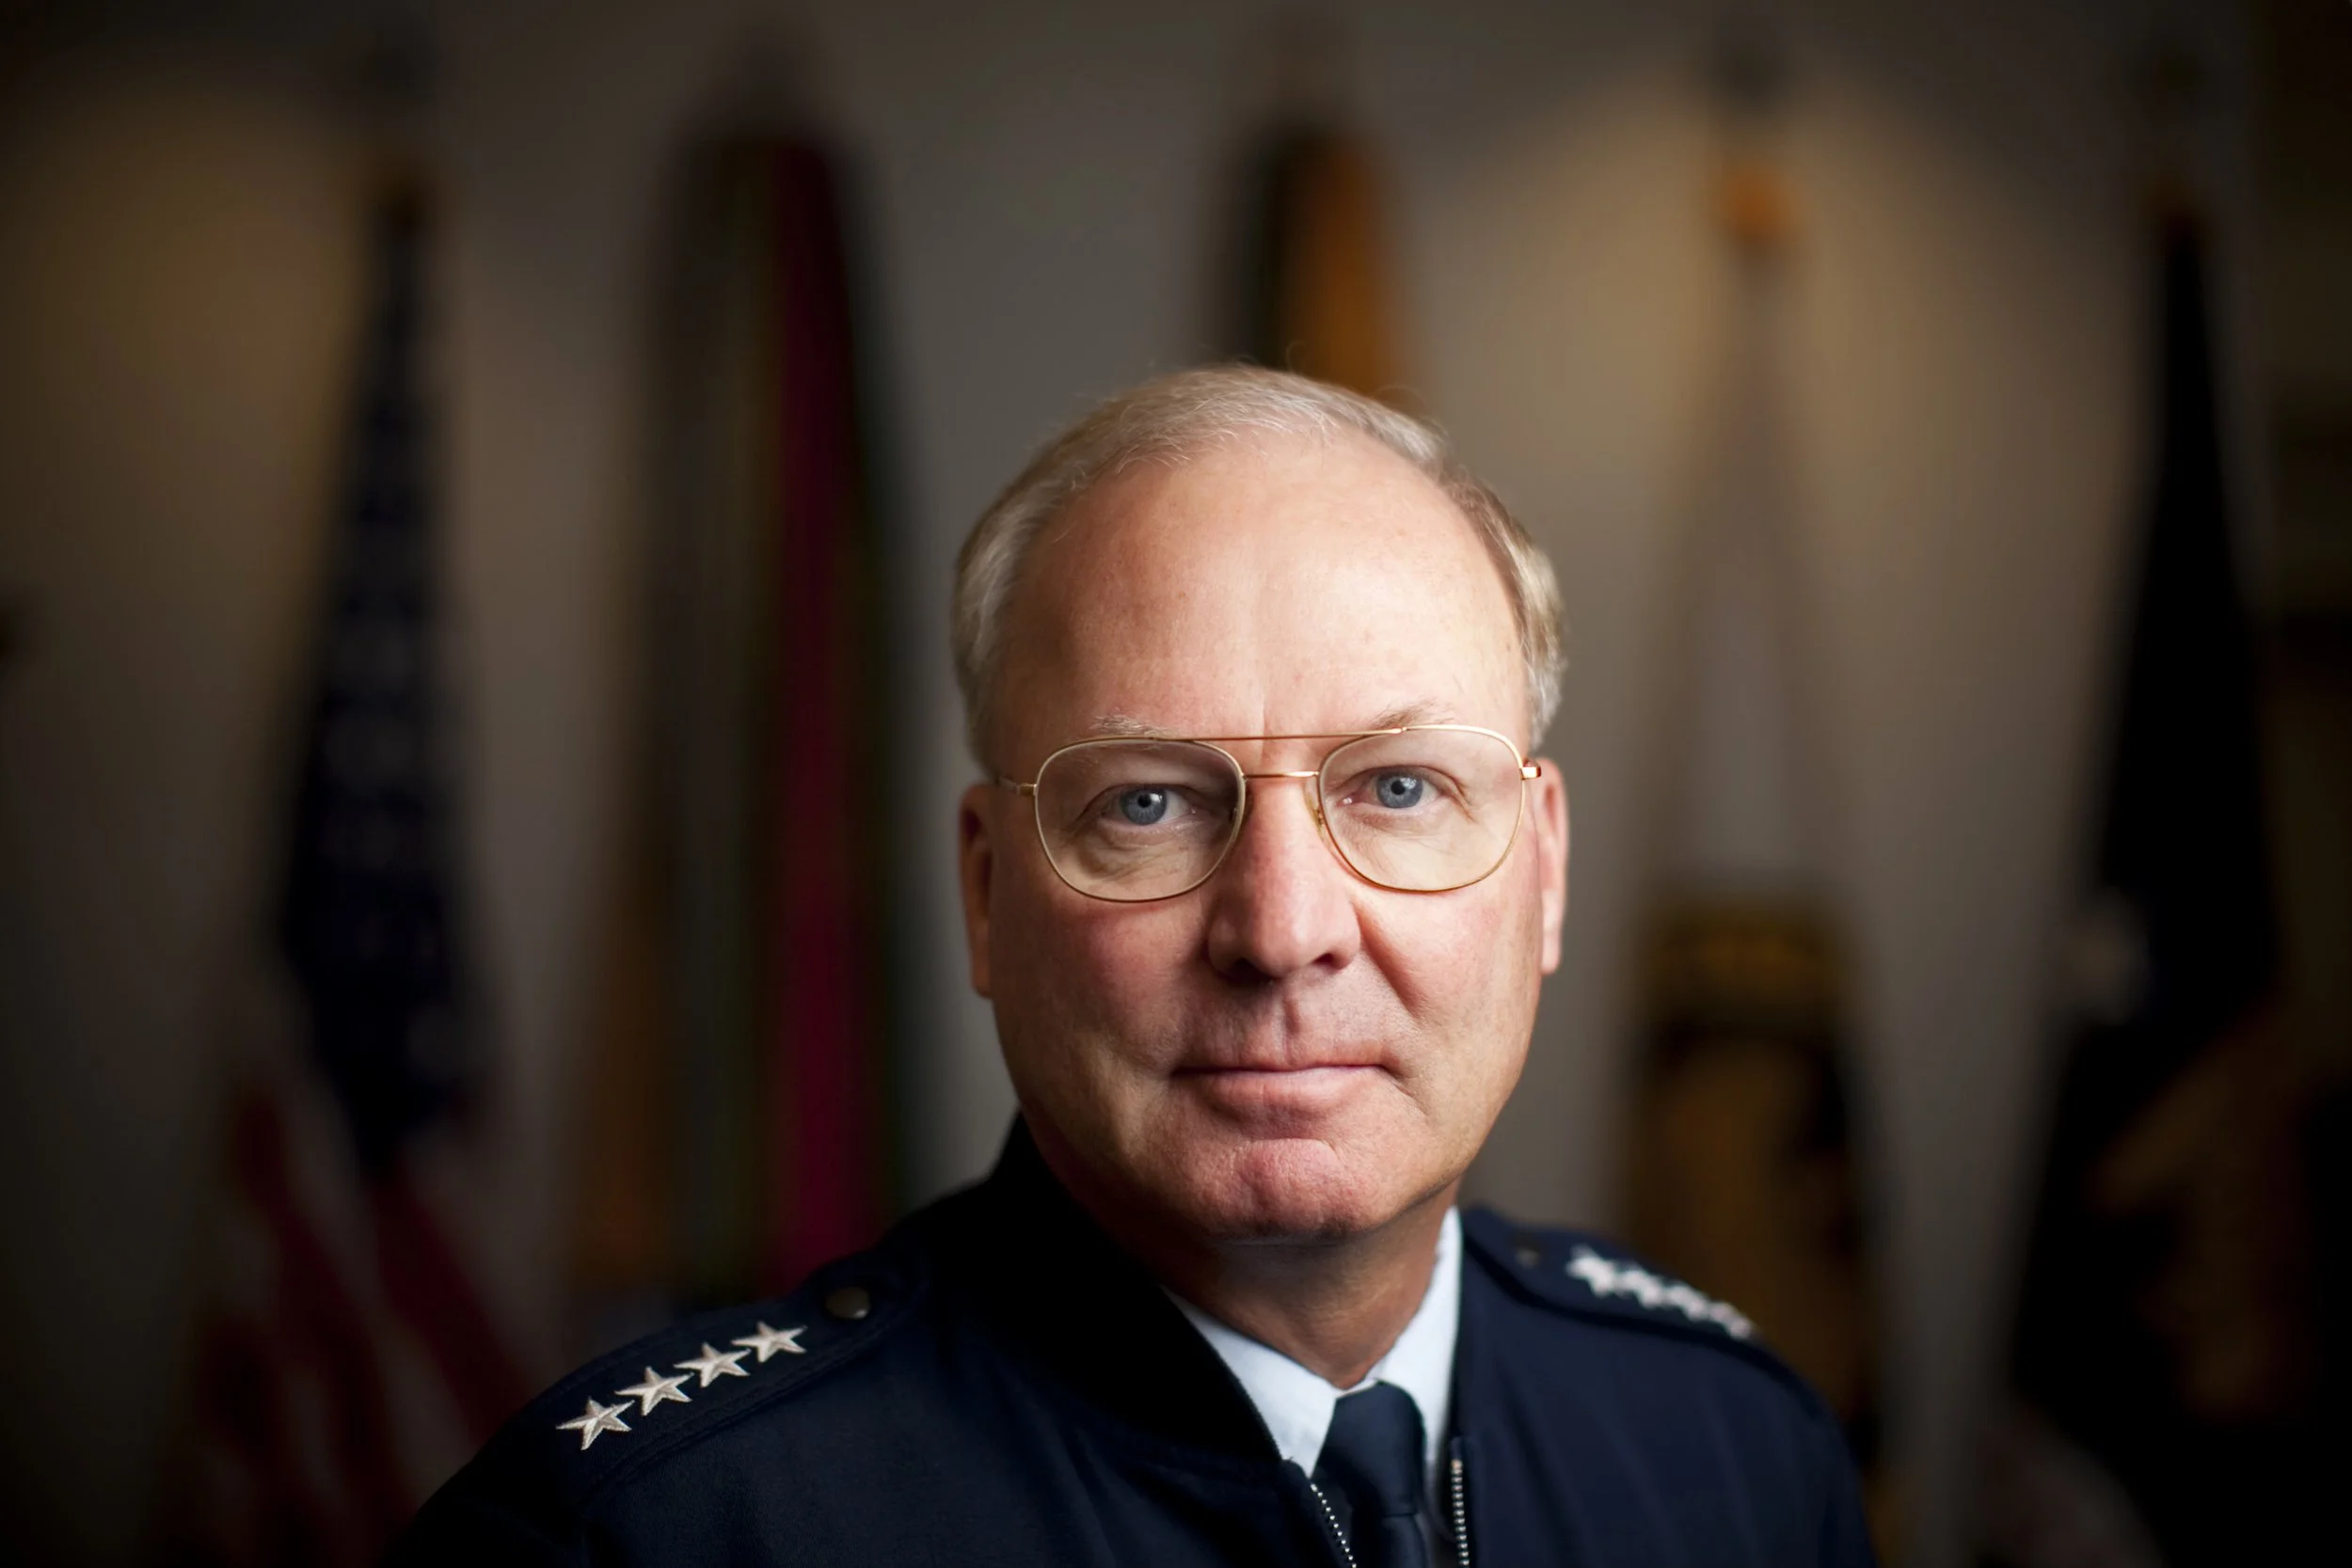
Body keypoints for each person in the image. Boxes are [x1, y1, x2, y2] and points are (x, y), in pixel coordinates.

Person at [389, 367, 1874, 1566]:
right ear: (987, 895)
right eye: (1148, 803)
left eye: (1399, 788)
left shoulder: (1736, 1450)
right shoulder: (656, 1535)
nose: (1281, 929)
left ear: (1542, 869)